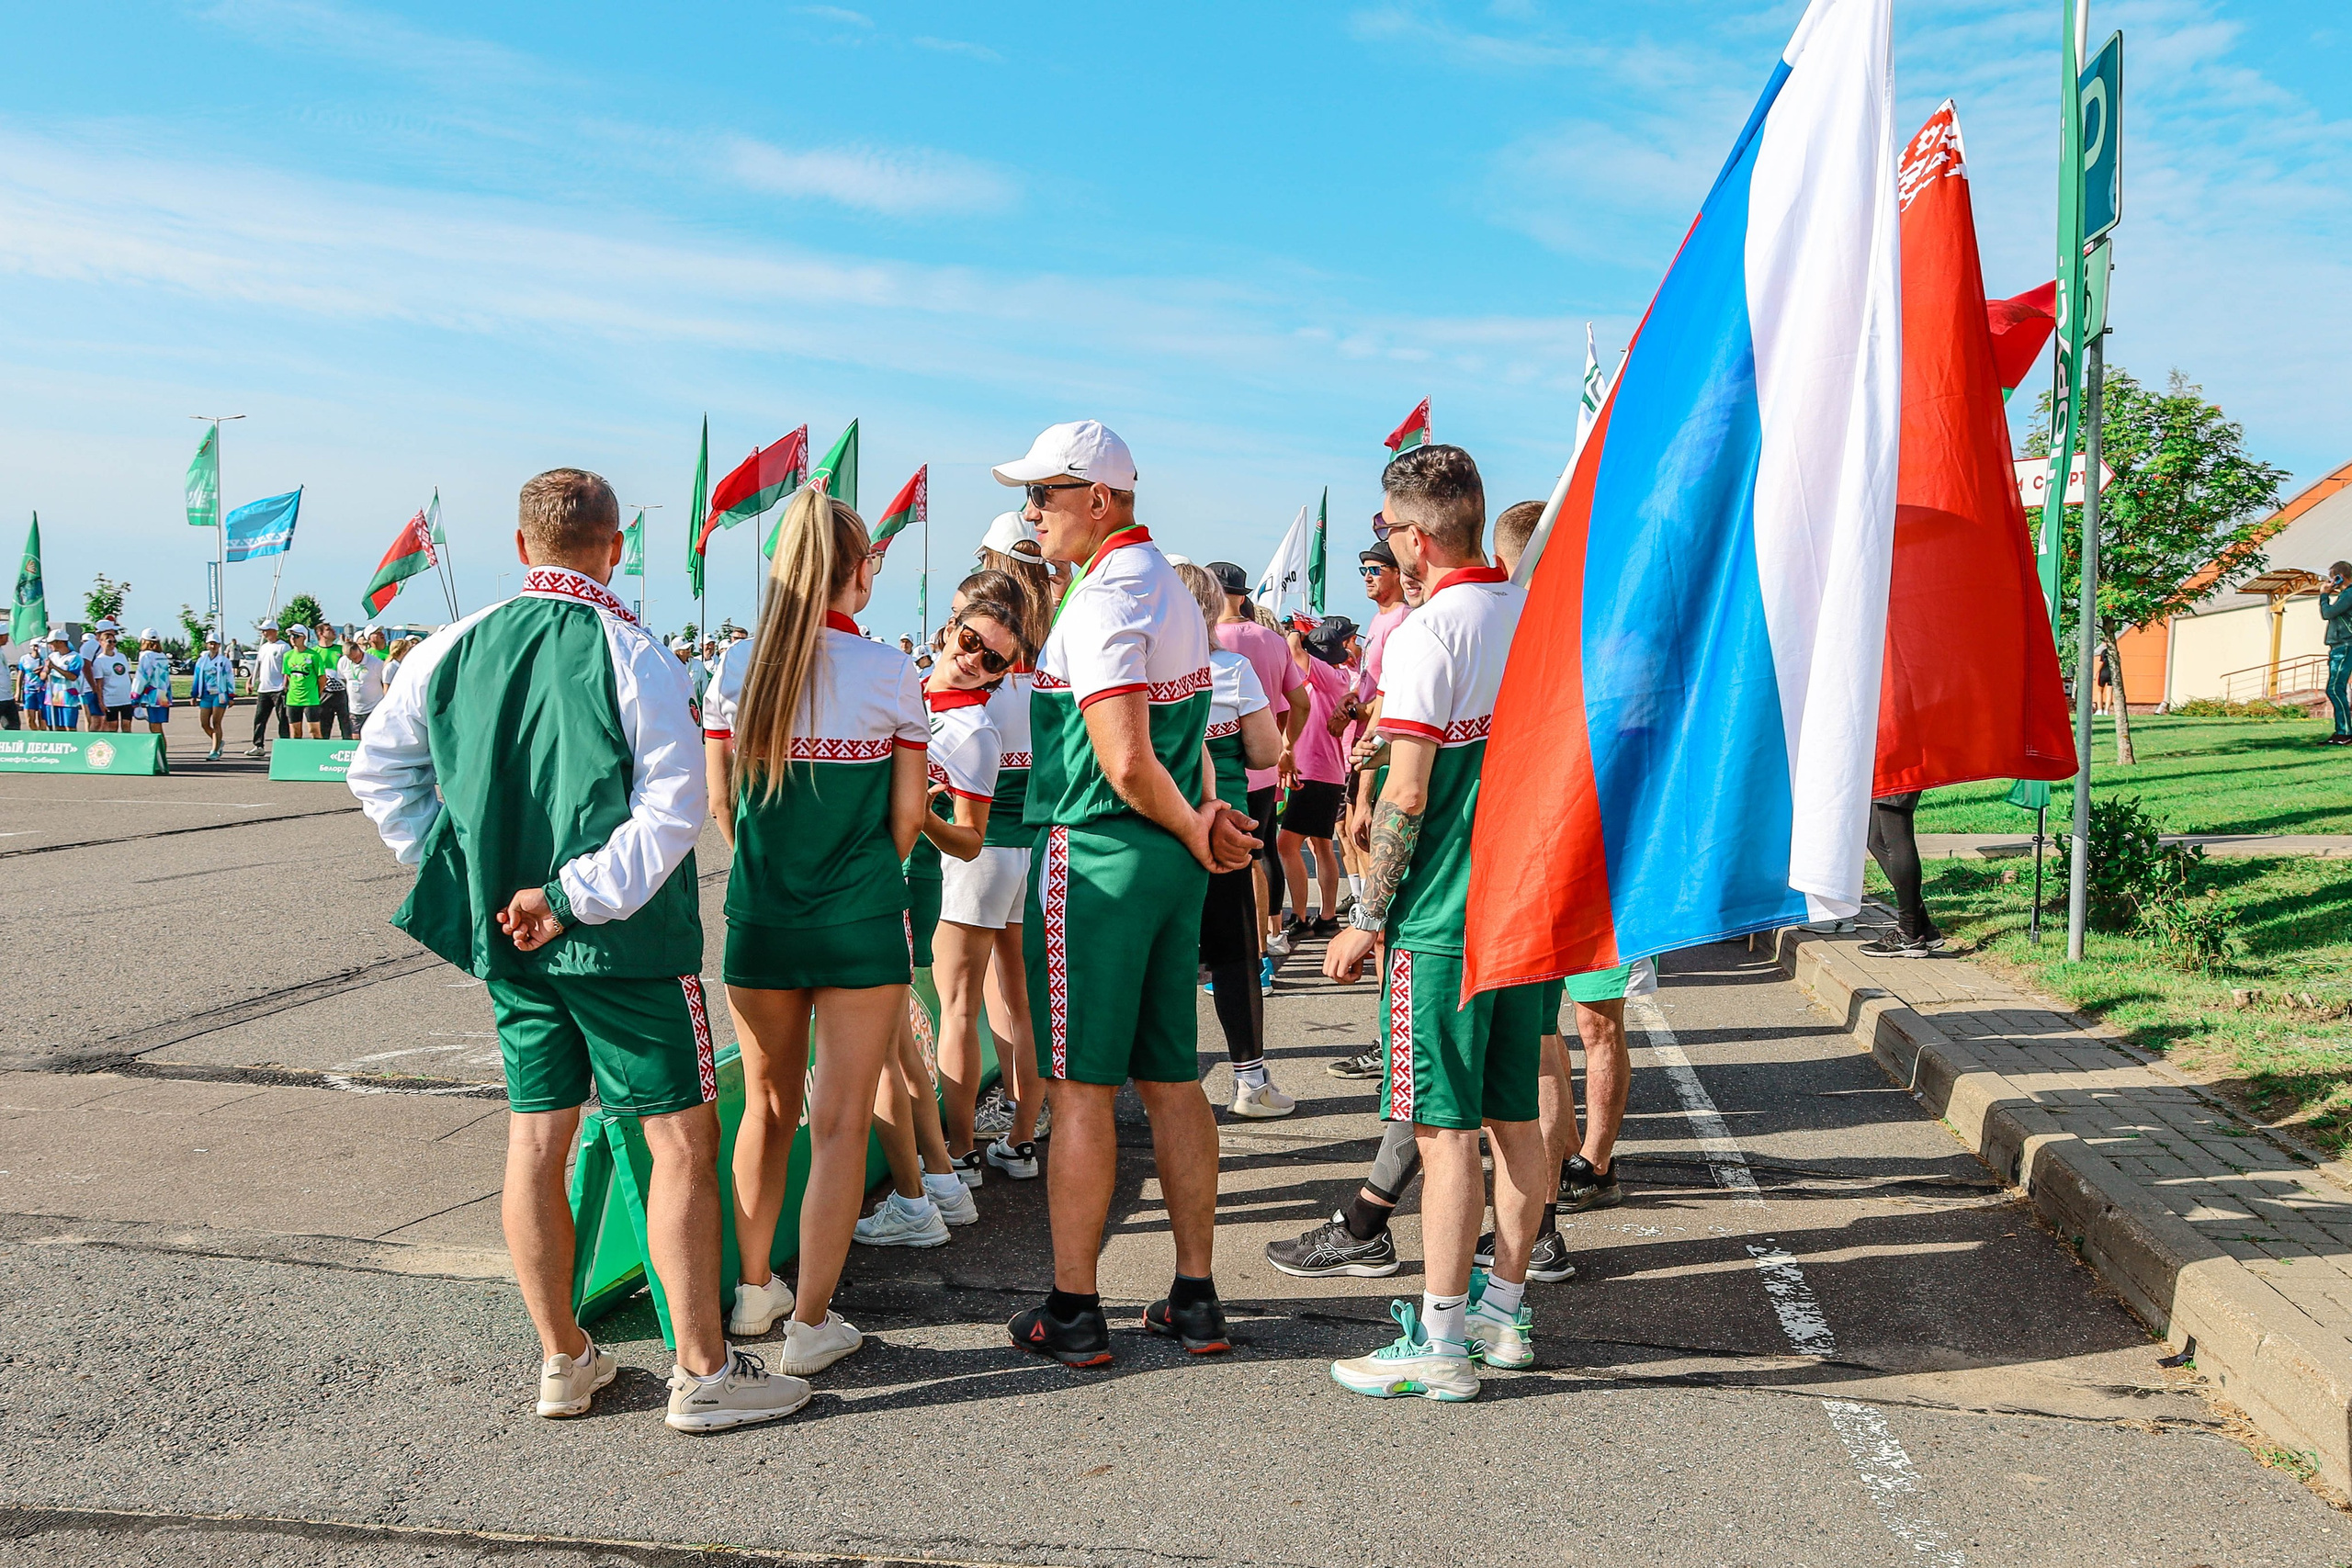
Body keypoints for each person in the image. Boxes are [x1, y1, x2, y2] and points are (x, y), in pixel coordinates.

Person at [348, 468, 795, 1432]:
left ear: (521, 546)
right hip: (621, 940)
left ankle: (563, 1358)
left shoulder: (449, 646)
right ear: (615, 546)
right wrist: (571, 896)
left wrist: (461, 871)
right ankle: (703, 1371)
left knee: (536, 1137)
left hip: (510, 940)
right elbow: (673, 811)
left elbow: (378, 769)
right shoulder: (631, 649)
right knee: (676, 1140)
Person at [992, 419, 1255, 1366]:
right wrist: (1200, 828)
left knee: (1080, 1087)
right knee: (1171, 1078)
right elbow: (1180, 748)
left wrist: (1190, 823)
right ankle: (1194, 1292)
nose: (1032, 513)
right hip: (1161, 865)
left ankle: (1073, 1306)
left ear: (1098, 500)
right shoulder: (1170, 588)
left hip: (1099, 853)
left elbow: (1126, 759)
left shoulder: (1105, 599)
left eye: (1045, 495)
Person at [1319, 443, 1543, 1402]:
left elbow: (1404, 795)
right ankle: (1501, 1311)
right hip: (1519, 904)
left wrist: (1368, 913)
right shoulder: (1527, 609)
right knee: (1515, 1119)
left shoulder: (1425, 633)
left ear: (1413, 535)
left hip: (1442, 916)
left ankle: (1441, 1341)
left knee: (1442, 1129)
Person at [703, 485, 926, 1380]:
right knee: (839, 1123)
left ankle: (753, 1289)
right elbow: (908, 818)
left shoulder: (733, 667)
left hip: (761, 920)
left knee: (764, 1106)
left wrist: (771, 874)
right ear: (858, 572)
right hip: (860, 920)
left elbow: (722, 806)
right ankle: (812, 1322)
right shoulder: (888, 673)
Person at [861, 580, 1029, 1244]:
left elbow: (970, 836)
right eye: (971, 642)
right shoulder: (906, 687)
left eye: (995, 661)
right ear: (948, 628)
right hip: (878, 872)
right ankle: (942, 1182)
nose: (977, 660)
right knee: (899, 1038)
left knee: (893, 1038)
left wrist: (920, 814)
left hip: (910, 877)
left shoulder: (973, 732)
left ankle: (922, 1192)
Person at [932, 569, 1053, 1182]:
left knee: (958, 1008)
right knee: (1024, 1005)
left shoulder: (979, 695)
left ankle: (959, 1151)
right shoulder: (1052, 674)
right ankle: (1022, 1137)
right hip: (1031, 850)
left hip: (975, 853)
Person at [1174, 561, 1290, 1119]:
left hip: (1165, 823)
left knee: (1168, 956)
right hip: (1228, 826)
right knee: (1234, 951)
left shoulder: (1140, 671)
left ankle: (1167, 1081)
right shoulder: (1233, 669)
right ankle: (1250, 1080)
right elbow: (1267, 753)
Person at [1205, 560, 1308, 983]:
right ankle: (1266, 949)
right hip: (1266, 766)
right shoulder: (1272, 639)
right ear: (1244, 594)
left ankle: (1225, 961)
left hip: (1223, 768)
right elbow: (1300, 702)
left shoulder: (1207, 644)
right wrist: (1287, 746)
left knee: (1223, 868)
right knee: (1262, 855)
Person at [1279, 615, 1359, 935]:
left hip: (1313, 772)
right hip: (1327, 771)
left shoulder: (1326, 675)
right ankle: (1326, 916)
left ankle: (1299, 914)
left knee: (1286, 845)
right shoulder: (1333, 679)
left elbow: (1294, 649)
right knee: (1322, 845)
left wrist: (1295, 630)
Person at [1858, 794, 1943, 958]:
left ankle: (1909, 933)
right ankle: (1923, 927)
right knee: (1876, 839)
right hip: (1883, 769)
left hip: (1897, 771)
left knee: (1896, 834)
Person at [244, 621, 290, 754]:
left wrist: (285, 684)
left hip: (278, 688)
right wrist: (250, 681)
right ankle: (258, 745)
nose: (263, 633)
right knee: (260, 718)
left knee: (282, 717)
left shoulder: (283, 647)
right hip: (264, 689)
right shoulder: (263, 647)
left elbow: (287, 668)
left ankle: (285, 744)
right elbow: (259, 666)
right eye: (263, 631)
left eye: (266, 630)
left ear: (274, 631)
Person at [279, 623, 331, 739]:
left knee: (314, 731)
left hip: (310, 699)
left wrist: (316, 693)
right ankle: (297, 756)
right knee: (295, 732)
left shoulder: (314, 655)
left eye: (296, 636)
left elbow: (322, 678)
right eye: (291, 636)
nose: (293, 639)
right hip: (293, 699)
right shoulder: (287, 655)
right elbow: (288, 675)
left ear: (304, 637)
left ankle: (318, 754)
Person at [87, 621, 135, 733]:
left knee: (126, 724)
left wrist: (133, 694)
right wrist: (101, 702)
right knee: (112, 726)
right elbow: (99, 683)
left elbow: (127, 676)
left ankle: (127, 748)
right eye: (109, 641)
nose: (112, 644)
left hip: (125, 697)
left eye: (114, 641)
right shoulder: (99, 661)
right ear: (101, 642)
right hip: (111, 699)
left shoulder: (121, 656)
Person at [2323, 560, 2351, 745]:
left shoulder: (2349, 594)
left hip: (2345, 645)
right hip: (2341, 645)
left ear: (2340, 577)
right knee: (2336, 688)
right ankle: (2342, 731)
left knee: (2334, 688)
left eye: (2333, 578)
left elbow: (2327, 613)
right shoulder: (2346, 595)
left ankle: (2345, 732)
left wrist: (2324, 595)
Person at [192, 634, 235, 758]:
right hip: (206, 695)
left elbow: (229, 678)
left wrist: (231, 696)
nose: (213, 646)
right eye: (211, 643)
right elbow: (196, 678)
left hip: (220, 694)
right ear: (207, 645)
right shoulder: (201, 661)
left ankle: (214, 750)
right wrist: (194, 695)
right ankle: (218, 741)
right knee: (204, 723)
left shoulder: (224, 661)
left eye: (215, 644)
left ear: (219, 645)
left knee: (216, 722)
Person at [339, 635, 387, 735]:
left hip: (374, 708)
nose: (354, 660)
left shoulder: (375, 663)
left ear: (359, 650)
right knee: (355, 737)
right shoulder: (343, 662)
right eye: (351, 659)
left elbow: (385, 682)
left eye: (356, 657)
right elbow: (343, 679)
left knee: (373, 736)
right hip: (355, 709)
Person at [132, 630, 172, 739]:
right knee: (158, 726)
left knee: (155, 728)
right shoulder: (162, 655)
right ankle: (162, 753)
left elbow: (142, 677)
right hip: (163, 693)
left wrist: (134, 696)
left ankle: (161, 754)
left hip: (152, 694)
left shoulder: (147, 656)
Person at [42, 632, 83, 729]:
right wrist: (47, 669)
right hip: (51, 698)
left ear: (60, 642)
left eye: (51, 643)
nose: (49, 646)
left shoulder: (75, 657)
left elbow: (73, 676)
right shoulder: (51, 656)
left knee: (70, 727)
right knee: (53, 726)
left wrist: (55, 667)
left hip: (68, 698)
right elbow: (42, 676)